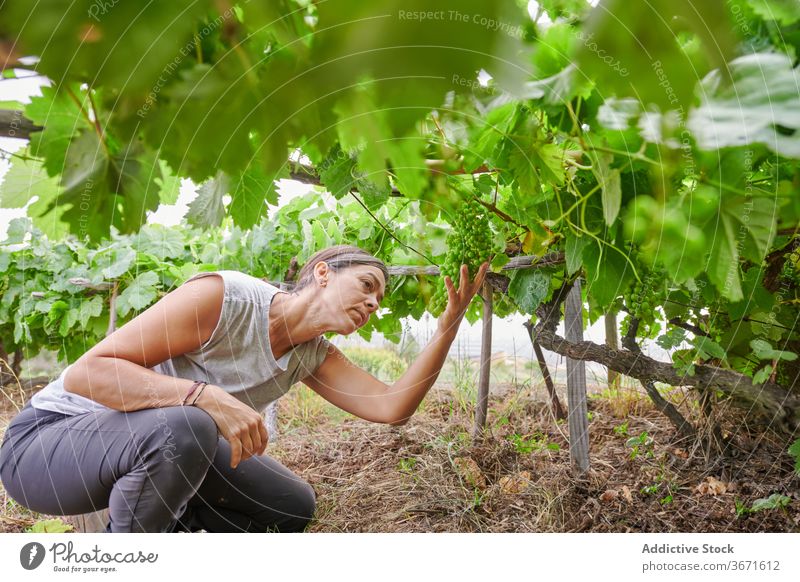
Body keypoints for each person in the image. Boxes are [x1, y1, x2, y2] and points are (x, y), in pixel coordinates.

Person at [0, 245, 489, 532]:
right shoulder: (225, 298)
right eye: (366, 285)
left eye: (379, 298)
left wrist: (448, 327)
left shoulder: (311, 354)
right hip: (47, 449)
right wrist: (204, 396)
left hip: (159, 450)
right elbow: (90, 371)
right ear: (322, 274)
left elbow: (391, 407)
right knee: (191, 423)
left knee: (291, 506)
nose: (373, 302)